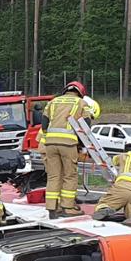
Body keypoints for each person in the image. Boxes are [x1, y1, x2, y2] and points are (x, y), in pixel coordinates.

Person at [41, 80, 101, 217]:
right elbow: (86, 126)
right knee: (70, 175)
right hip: (68, 144)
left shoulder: (53, 102)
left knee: (53, 176)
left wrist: (48, 137)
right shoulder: (81, 103)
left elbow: (44, 123)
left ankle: (52, 207)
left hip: (50, 143)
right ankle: (68, 207)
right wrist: (82, 145)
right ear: (80, 93)